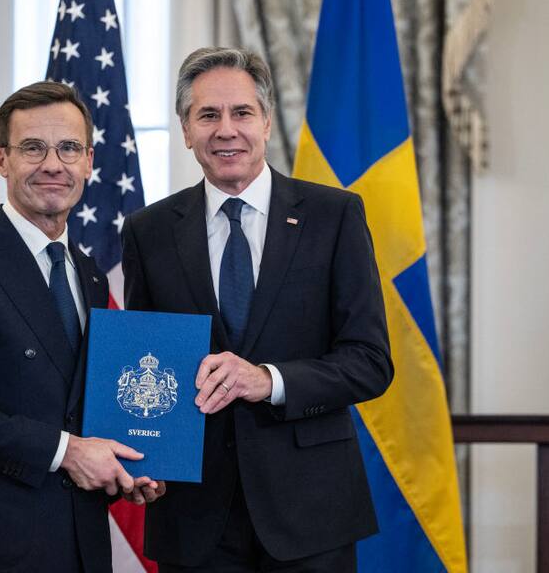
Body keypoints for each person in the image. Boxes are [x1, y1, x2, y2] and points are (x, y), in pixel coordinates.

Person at [122, 47, 393, 572]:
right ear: (185, 129)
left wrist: (268, 380)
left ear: (266, 122)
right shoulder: (148, 231)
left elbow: (370, 361)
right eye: (208, 115)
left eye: (241, 112)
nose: (226, 130)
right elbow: (144, 359)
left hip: (311, 512)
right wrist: (144, 453)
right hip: (192, 512)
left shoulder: (334, 216)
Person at [0, 81, 165, 573]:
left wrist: (131, 464)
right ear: (2, 160)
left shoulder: (87, 274)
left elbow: (85, 405)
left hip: (83, 545)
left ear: (88, 161)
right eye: (32, 148)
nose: (52, 165)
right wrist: (66, 453)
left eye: (67, 148)